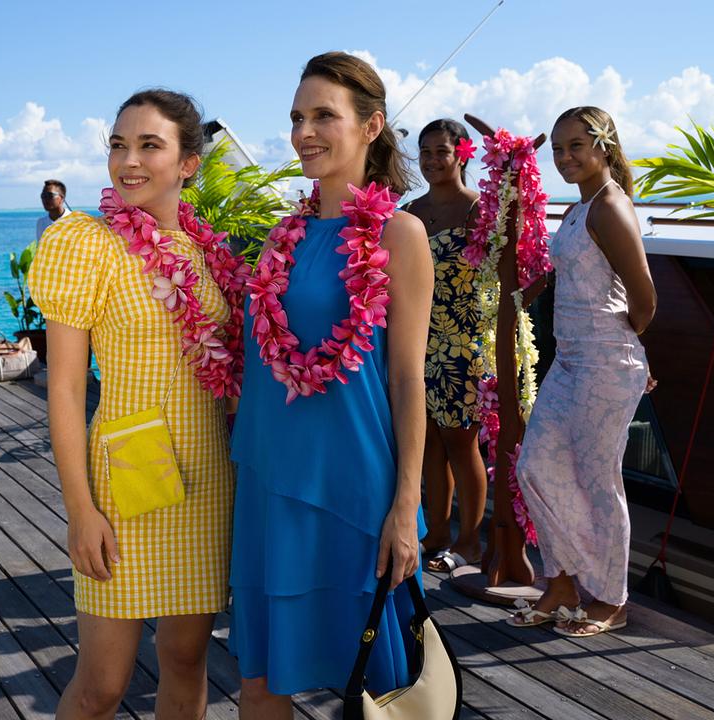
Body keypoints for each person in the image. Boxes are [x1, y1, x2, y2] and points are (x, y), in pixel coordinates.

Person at [230, 51, 432, 715]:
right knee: (259, 678)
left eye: (324, 115)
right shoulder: (278, 241)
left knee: (374, 684)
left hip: (356, 491)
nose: (304, 132)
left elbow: (406, 381)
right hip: (270, 484)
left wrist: (404, 507)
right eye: (296, 117)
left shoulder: (401, 236)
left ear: (371, 127)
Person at [28, 90, 236, 719]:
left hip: (206, 478)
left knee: (184, 660)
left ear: (188, 163)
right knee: (102, 686)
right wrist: (80, 510)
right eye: (119, 144)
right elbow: (64, 388)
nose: (129, 160)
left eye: (150, 145)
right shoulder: (86, 243)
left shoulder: (209, 254)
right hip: (126, 477)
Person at [509, 106, 656, 637]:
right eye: (558, 149)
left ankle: (611, 598)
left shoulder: (610, 206)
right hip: (569, 361)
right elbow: (582, 273)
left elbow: (644, 297)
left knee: (599, 481)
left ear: (604, 145)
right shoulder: (581, 207)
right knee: (537, 467)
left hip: (604, 364)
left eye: (576, 146)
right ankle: (564, 580)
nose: (565, 157)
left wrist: (629, 349)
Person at [401, 118, 486, 575]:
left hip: (463, 341)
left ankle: (471, 541)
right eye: (426, 152)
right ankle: (436, 532)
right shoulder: (410, 211)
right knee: (427, 440)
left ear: (462, 155)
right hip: (419, 338)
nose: (433, 160)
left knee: (461, 441)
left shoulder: (478, 210)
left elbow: (516, 273)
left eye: (442, 152)